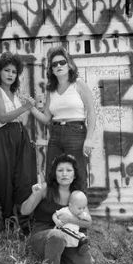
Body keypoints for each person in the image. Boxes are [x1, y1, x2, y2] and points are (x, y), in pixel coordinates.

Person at [20, 154, 94, 264]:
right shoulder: (45, 189)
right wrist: (34, 194)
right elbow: (24, 211)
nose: (64, 174)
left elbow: (88, 222)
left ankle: (53, 258)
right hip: (43, 236)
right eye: (60, 170)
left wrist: (71, 220)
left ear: (75, 174)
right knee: (57, 236)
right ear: (55, 173)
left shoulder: (77, 195)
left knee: (86, 263)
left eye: (68, 170)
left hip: (67, 238)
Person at [30, 46, 96, 189]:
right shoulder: (51, 90)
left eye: (62, 62)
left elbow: (91, 111)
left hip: (76, 133)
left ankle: (80, 209)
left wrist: (89, 138)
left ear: (69, 64)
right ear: (51, 70)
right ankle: (56, 210)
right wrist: (30, 108)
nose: (58, 66)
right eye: (54, 64)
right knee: (52, 173)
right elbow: (46, 118)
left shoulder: (78, 84)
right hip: (55, 134)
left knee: (78, 174)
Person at [0, 52, 37, 233]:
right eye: (6, 70)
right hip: (2, 137)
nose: (10, 74)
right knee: (4, 179)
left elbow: (19, 119)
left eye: (14, 72)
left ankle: (25, 225)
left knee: (24, 179)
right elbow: (2, 117)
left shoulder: (15, 92)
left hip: (20, 136)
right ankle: (6, 225)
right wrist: (25, 107)